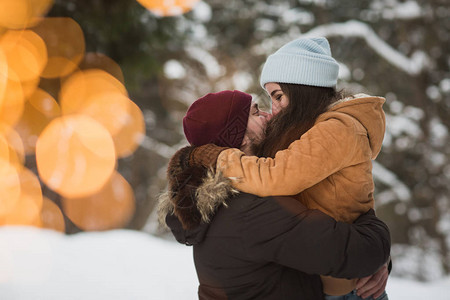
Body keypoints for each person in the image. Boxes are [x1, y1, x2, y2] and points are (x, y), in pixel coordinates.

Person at [186, 37, 389, 299]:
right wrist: (376, 254)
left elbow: (280, 179)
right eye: (259, 109)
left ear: (304, 88)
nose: (273, 112)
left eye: (278, 96)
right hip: (337, 276)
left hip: (347, 286)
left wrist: (218, 158)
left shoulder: (336, 129)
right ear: (239, 137)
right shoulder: (246, 207)